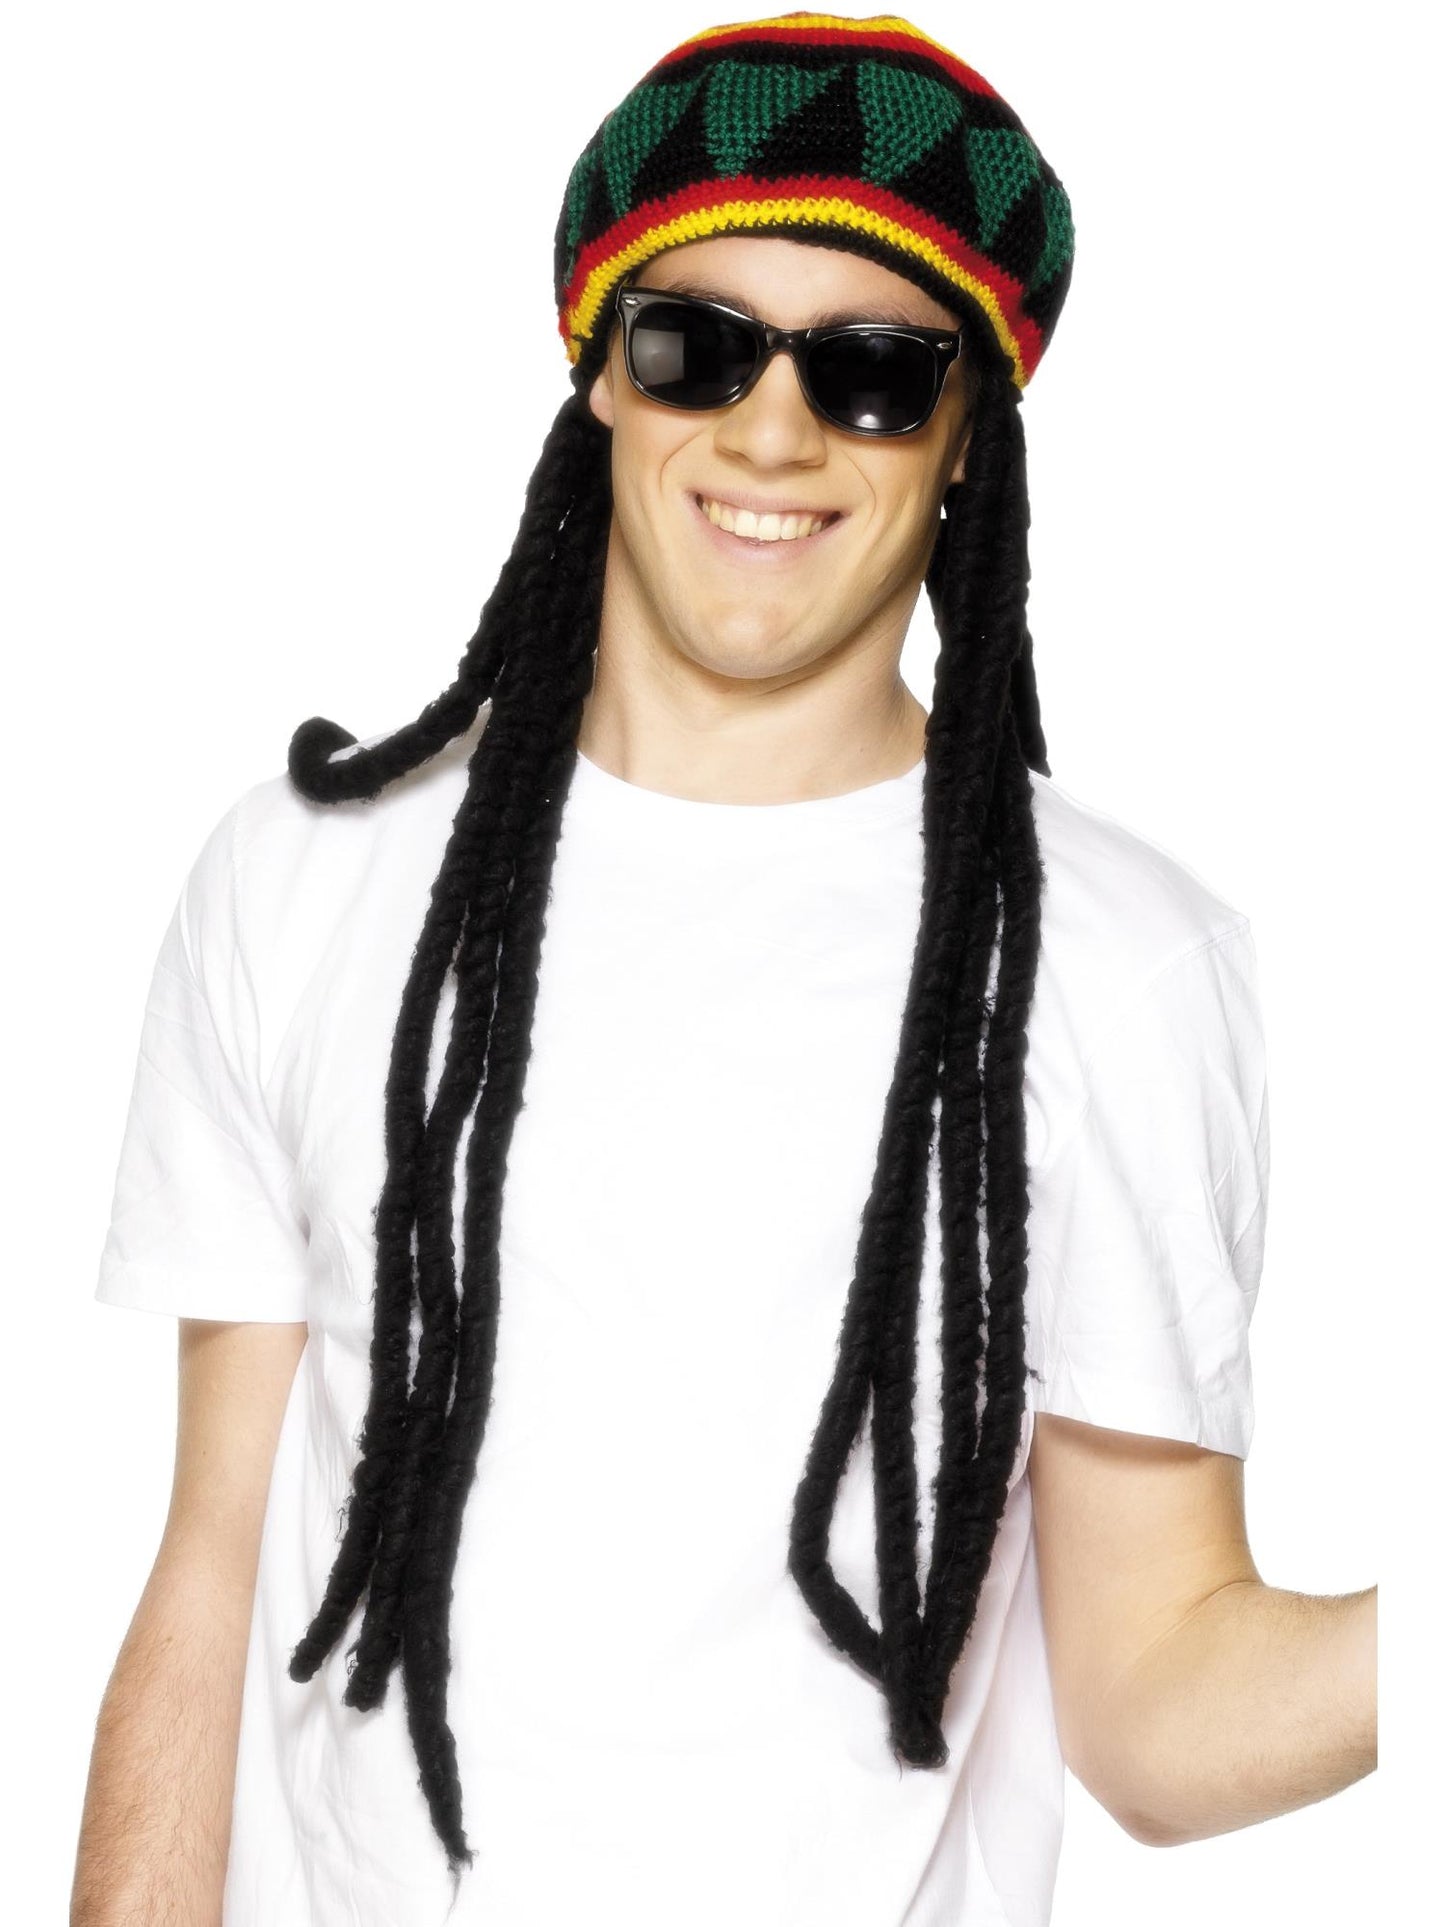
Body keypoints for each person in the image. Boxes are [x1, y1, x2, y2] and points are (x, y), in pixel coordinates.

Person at [71, 11, 1377, 1925]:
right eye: (696, 345)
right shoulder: (306, 878)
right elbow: (209, 1579)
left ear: (965, 437)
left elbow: (1152, 1710)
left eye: (871, 373)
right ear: (601, 377)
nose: (772, 432)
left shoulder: (1115, 965)